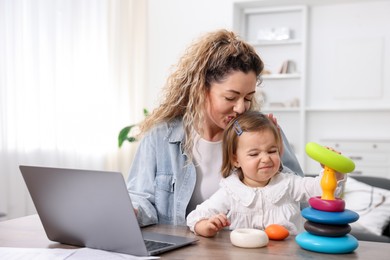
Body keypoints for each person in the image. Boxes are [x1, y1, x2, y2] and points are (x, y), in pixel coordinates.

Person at [126, 29, 304, 227]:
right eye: (230, 97)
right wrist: (131, 211)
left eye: (248, 98)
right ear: (201, 89)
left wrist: (274, 159)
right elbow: (140, 198)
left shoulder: (262, 133)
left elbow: (301, 198)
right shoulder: (161, 137)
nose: (241, 108)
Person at [186, 111, 346, 237]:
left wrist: (332, 170)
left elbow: (324, 190)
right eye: (254, 154)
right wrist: (206, 226)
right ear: (236, 159)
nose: (266, 159)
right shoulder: (230, 191)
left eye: (272, 151)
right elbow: (196, 216)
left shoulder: (289, 184)